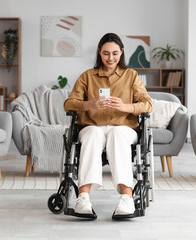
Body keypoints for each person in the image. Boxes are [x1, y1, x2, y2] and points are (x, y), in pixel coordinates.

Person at [63, 33, 152, 216]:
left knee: (117, 134)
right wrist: (90, 104)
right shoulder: (87, 76)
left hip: (124, 128)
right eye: (106, 53)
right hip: (92, 126)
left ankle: (127, 198)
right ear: (99, 53)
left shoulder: (131, 76)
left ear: (121, 53)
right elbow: (69, 104)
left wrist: (126, 106)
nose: (110, 58)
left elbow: (148, 104)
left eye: (114, 53)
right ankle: (83, 198)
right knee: (93, 134)